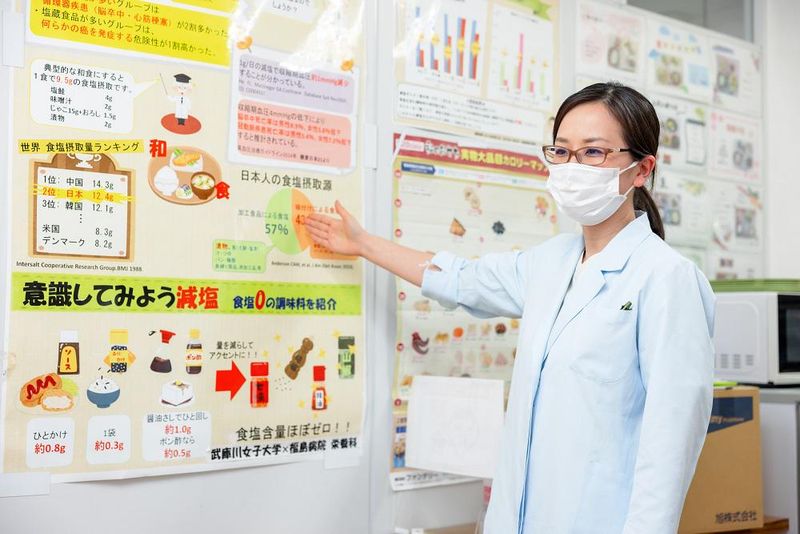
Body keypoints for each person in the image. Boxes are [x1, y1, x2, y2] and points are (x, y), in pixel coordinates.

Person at [304, 82, 715, 533]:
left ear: (641, 169)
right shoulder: (550, 262)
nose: (572, 167)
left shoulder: (666, 278)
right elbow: (460, 279)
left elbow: (671, 440)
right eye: (561, 151)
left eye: (593, 152)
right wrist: (364, 245)